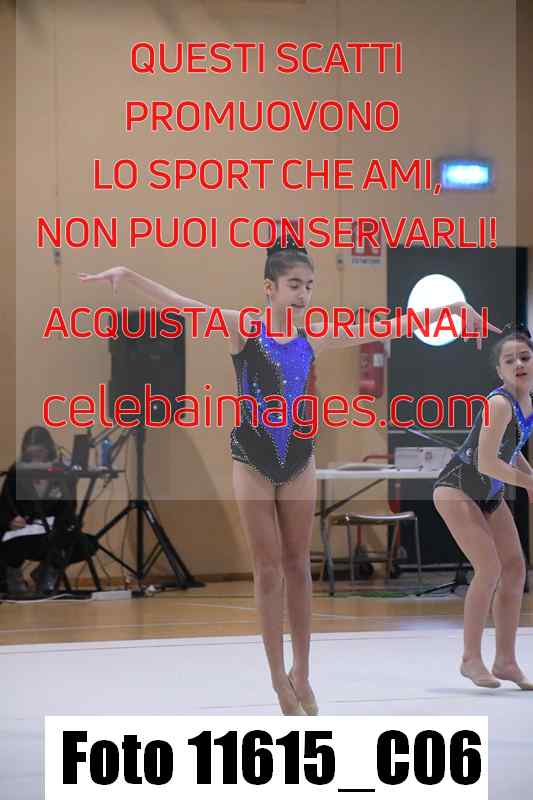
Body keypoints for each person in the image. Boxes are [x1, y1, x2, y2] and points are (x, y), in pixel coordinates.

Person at [79, 240, 497, 714]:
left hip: (298, 458)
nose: (303, 294)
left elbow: (384, 326)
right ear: (270, 287)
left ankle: (302, 670)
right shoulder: (243, 328)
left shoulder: (311, 335)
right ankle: (278, 677)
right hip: (251, 459)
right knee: (268, 569)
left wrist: (449, 313)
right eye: (294, 285)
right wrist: (128, 275)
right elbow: (183, 305)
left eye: (309, 286)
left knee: (298, 565)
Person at [434, 324, 533, 690]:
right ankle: (469, 659)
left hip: (489, 494)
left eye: (525, 357)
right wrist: (528, 483)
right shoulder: (498, 403)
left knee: (515, 568)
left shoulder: (527, 403)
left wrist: (529, 478)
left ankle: (505, 660)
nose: (519, 364)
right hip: (457, 487)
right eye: (510, 360)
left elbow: (512, 449)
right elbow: (487, 462)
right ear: (499, 370)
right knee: (489, 568)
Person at [0, 426, 96, 594]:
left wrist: (65, 526)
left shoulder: (61, 472)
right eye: (31, 454)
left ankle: (47, 570)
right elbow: (4, 507)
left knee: (87, 544)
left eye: (40, 453)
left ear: (49, 450)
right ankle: (13, 573)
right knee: (9, 542)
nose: (36, 458)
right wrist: (11, 521)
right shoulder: (16, 472)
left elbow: (68, 510)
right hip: (23, 534)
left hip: (51, 533)